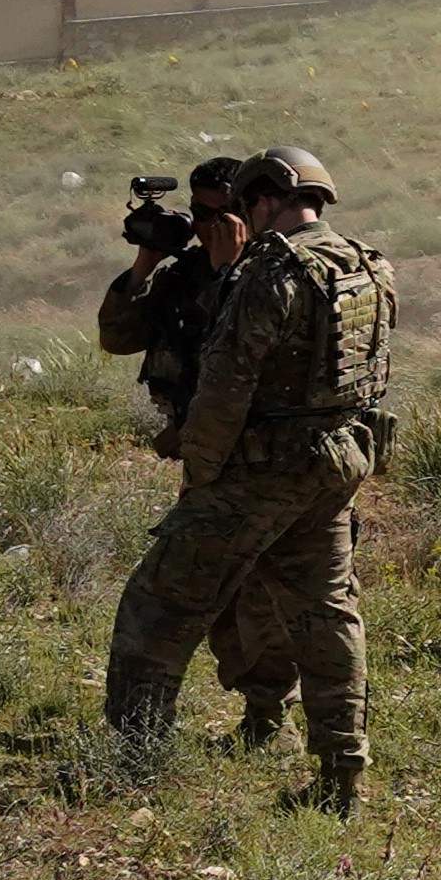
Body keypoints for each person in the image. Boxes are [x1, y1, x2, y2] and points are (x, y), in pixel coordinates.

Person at [103, 147, 390, 813]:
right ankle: (341, 781)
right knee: (326, 618)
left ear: (264, 198)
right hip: (334, 466)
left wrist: (202, 477)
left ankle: (132, 767)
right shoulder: (367, 264)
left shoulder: (268, 270)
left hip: (257, 470)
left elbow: (226, 386)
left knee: (156, 610)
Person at [95, 157, 306, 749]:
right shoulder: (189, 271)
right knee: (220, 596)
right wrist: (147, 259)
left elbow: (240, 352)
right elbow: (117, 336)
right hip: (210, 458)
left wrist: (229, 269)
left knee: (256, 595)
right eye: (203, 213)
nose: (214, 225)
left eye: (226, 212)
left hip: (262, 460)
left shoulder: (272, 274)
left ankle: (271, 719)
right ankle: (242, 721)